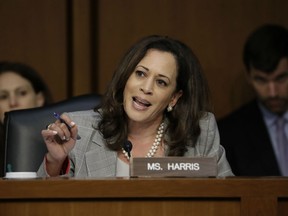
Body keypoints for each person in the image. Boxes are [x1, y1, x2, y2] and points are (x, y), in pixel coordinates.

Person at [37, 35, 233, 177]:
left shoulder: (199, 132)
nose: (146, 88)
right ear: (126, 78)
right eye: (140, 74)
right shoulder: (80, 131)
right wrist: (56, 163)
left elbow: (229, 198)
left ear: (174, 98)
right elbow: (40, 204)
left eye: (161, 82)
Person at [217, 24, 288, 176]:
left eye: (281, 78)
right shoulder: (228, 134)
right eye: (261, 80)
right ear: (249, 76)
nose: (272, 92)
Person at [0, 61, 53, 176]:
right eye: (3, 97)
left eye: (22, 93)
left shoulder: (60, 140)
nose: (13, 102)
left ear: (39, 99)